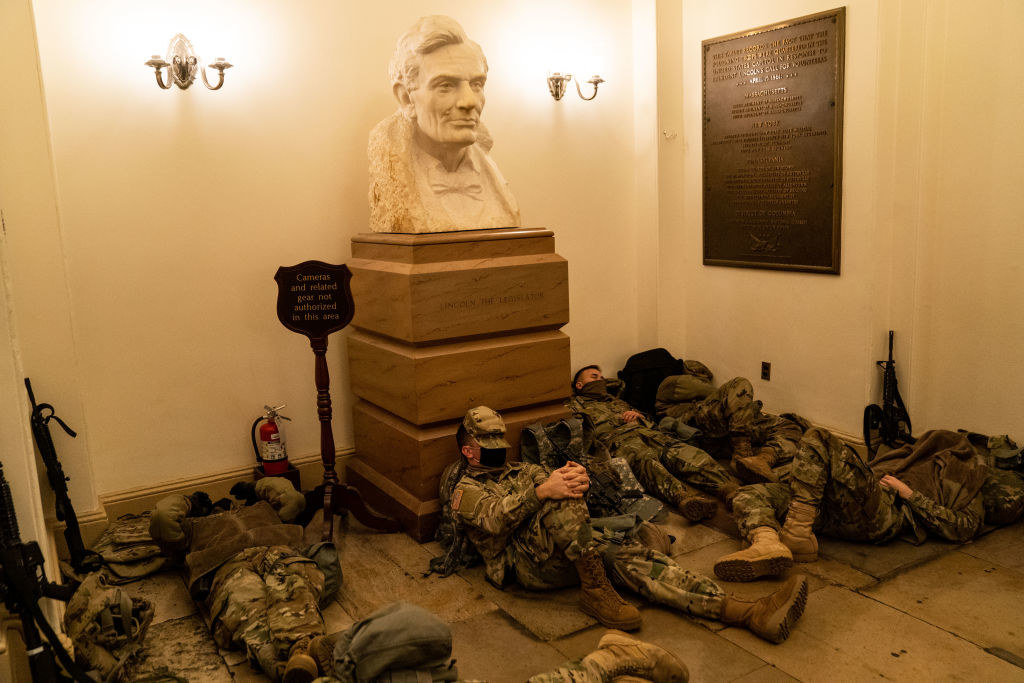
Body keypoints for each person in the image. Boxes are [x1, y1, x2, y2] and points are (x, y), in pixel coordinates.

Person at [450, 405, 809, 643]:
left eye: (500, 437)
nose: (498, 445)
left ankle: (745, 612)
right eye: (488, 441)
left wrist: (577, 479)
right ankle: (595, 590)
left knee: (635, 556)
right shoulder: (464, 490)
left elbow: (559, 491)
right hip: (525, 565)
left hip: (568, 550)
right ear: (469, 450)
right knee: (560, 502)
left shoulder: (523, 470)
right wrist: (544, 491)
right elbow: (495, 519)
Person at [713, 428, 1021, 582]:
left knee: (818, 437)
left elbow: (962, 528)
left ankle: (794, 534)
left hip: (884, 513)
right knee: (750, 492)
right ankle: (768, 542)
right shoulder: (917, 457)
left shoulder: (971, 483)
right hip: (841, 508)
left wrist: (909, 494)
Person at [149, 478, 339, 682]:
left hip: (274, 551)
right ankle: (300, 659)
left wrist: (255, 489)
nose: (220, 506)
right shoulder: (190, 528)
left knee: (293, 586)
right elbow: (162, 517)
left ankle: (300, 653)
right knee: (249, 613)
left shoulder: (263, 508)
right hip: (227, 567)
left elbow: (293, 499)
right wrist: (189, 501)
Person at [368, 15, 521, 233]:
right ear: (405, 98)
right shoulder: (392, 171)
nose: (469, 102)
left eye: (476, 84)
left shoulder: (491, 175)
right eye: (446, 85)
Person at [568, 365, 741, 518]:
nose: (601, 380)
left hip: (647, 432)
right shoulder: (573, 406)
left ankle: (728, 489)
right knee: (646, 460)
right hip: (617, 441)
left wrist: (639, 417)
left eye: (602, 377)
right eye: (594, 377)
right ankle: (684, 498)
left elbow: (651, 421)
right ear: (579, 385)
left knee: (685, 453)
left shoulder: (617, 401)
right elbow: (580, 439)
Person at [654, 365, 809, 484]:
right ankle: (742, 453)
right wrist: (727, 397)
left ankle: (762, 460)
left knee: (791, 427)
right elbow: (711, 391)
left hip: (725, 434)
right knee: (740, 383)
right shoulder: (669, 384)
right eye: (702, 377)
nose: (706, 378)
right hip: (696, 422)